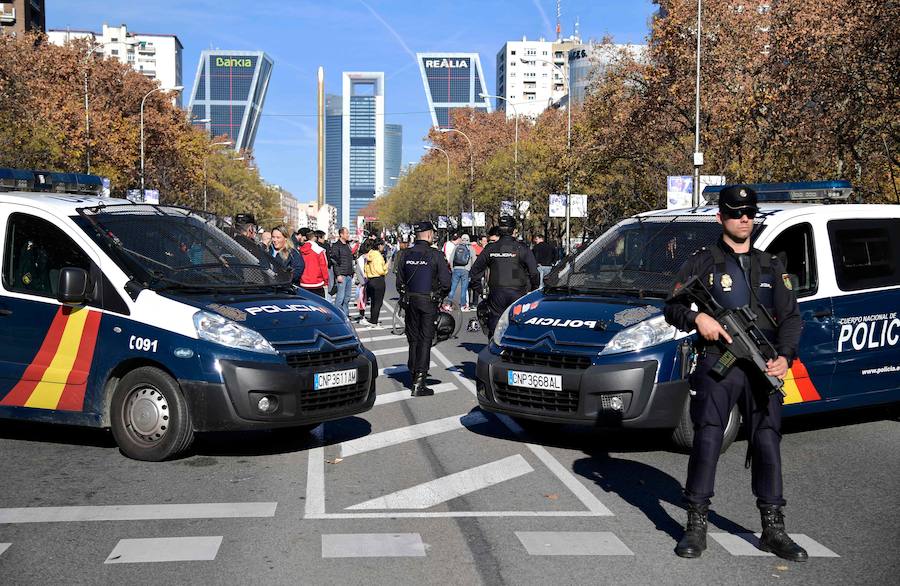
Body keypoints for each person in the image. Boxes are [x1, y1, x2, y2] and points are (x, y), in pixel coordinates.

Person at [663, 185, 807, 562]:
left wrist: (785, 358)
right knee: (708, 440)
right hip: (718, 364)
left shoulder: (771, 265)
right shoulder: (703, 262)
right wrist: (699, 318)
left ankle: (773, 528)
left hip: (763, 367)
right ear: (720, 218)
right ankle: (696, 525)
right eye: (736, 212)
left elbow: (791, 319)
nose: (744, 218)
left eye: (749, 213)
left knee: (768, 444)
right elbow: (672, 307)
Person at [397, 221, 451, 397]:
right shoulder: (436, 255)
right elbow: (446, 283)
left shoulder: (405, 254)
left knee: (413, 338)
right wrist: (439, 296)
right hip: (428, 301)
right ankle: (419, 382)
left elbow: (399, 283)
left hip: (410, 301)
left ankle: (413, 374)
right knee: (425, 339)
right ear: (429, 235)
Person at [468, 216, 539, 338]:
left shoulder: (491, 248)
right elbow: (534, 273)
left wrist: (481, 291)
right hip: (518, 293)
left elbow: (474, 273)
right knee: (518, 324)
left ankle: (496, 349)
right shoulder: (522, 248)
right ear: (514, 231)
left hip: (496, 292)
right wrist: (533, 290)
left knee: (496, 324)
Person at [330, 227, 355, 315]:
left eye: (348, 233)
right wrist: (338, 274)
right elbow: (334, 261)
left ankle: (345, 315)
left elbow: (350, 259)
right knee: (340, 297)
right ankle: (336, 315)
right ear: (341, 234)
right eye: (346, 233)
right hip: (342, 275)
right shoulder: (336, 245)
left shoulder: (347, 245)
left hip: (349, 274)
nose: (348, 235)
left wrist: (352, 272)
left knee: (347, 298)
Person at [363, 239, 388, 326]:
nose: (383, 247)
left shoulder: (370, 254)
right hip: (378, 280)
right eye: (382, 245)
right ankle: (374, 321)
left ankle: (372, 319)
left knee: (374, 301)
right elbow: (380, 270)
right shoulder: (377, 256)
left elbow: (366, 268)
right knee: (378, 302)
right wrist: (386, 268)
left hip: (370, 280)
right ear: (379, 246)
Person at [298, 230, 330, 297]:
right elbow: (324, 266)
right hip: (317, 283)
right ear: (315, 238)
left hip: (303, 282)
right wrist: (326, 281)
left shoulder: (300, 249)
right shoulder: (319, 250)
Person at [448, 233, 474, 311]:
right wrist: (470, 269)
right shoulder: (470, 248)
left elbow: (451, 259)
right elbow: (474, 260)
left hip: (456, 269)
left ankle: (448, 304)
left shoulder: (456, 247)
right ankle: (463, 305)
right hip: (466, 270)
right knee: (464, 289)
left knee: (452, 288)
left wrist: (452, 268)